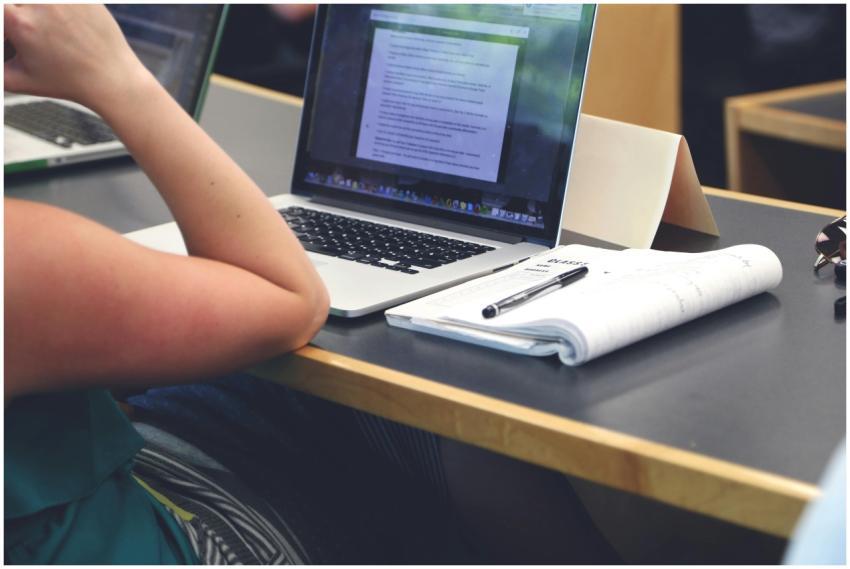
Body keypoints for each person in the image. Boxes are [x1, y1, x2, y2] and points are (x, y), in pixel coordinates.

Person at [4, 4, 332, 563]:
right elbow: (291, 298)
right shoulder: (23, 259)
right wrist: (115, 73)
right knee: (368, 433)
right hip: (126, 543)